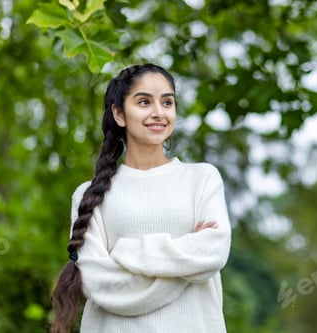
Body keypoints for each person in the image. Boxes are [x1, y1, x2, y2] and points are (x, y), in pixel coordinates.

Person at [50, 64, 232, 333]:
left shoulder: (202, 179)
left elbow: (213, 252)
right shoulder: (87, 195)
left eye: (167, 102)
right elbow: (100, 284)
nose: (159, 112)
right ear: (119, 114)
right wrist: (187, 264)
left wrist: (126, 252)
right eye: (144, 102)